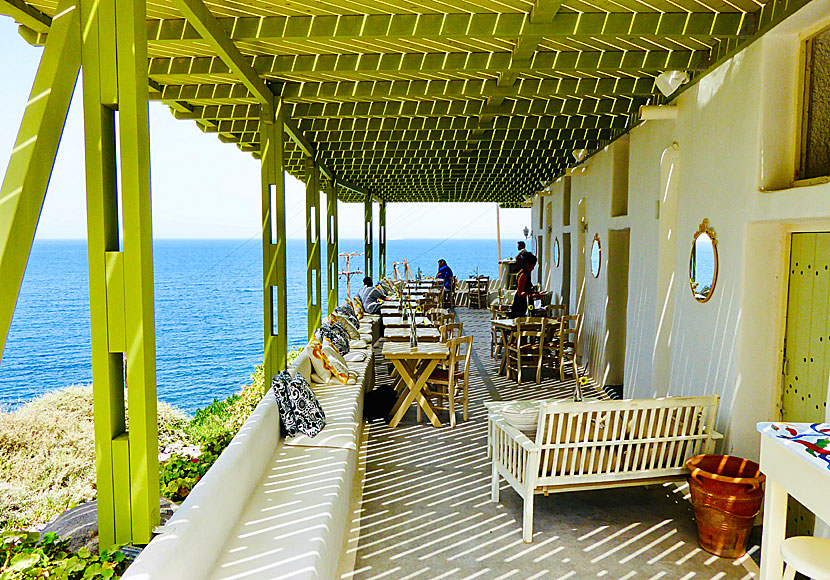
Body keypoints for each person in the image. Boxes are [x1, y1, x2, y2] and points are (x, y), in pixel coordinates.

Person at [510, 253, 542, 318]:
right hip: (521, 304)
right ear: (528, 264)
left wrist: (536, 293)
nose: (533, 268)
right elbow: (520, 293)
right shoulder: (523, 275)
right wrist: (534, 295)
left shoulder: (526, 274)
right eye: (532, 266)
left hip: (527, 302)